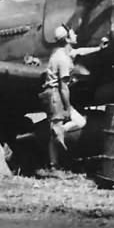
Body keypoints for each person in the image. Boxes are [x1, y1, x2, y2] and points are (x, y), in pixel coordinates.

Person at [39, 25, 75, 175]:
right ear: (67, 39)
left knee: (56, 129)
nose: (76, 36)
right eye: (73, 34)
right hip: (55, 95)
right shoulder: (63, 59)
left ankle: (55, 164)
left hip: (50, 93)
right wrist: (68, 107)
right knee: (57, 130)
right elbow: (64, 87)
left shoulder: (56, 54)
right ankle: (56, 166)